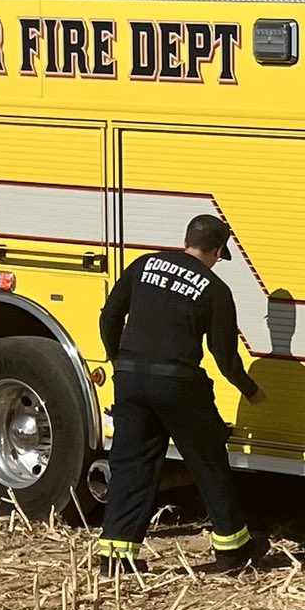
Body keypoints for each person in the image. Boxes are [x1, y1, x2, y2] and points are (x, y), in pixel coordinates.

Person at [96, 213, 266, 575]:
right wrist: (249, 390)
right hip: (177, 384)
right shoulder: (215, 290)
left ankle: (115, 556)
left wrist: (120, 361)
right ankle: (233, 550)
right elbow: (224, 356)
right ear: (218, 250)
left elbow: (110, 316)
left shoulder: (144, 265)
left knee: (130, 465)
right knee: (207, 461)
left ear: (187, 239)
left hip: (130, 380)